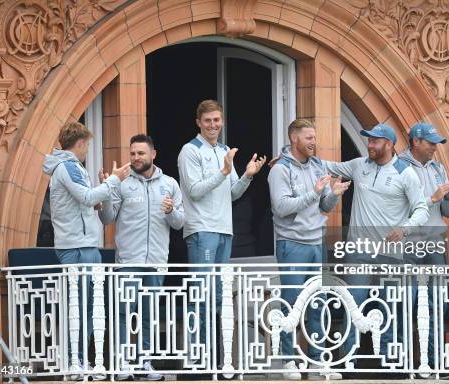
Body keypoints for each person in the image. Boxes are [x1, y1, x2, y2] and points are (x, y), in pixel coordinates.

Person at [319, 123, 430, 375]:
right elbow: (327, 165)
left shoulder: (406, 173)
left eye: (375, 141)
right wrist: (290, 156)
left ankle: (391, 364)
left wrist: (404, 229)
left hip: (391, 254)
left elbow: (421, 209)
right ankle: (347, 363)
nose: (370, 145)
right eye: (368, 141)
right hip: (359, 251)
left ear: (389, 144)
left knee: (390, 309)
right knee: (353, 305)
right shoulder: (359, 165)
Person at [42, 121, 130, 380]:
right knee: (78, 307)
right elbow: (87, 198)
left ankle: (83, 360)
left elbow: (87, 202)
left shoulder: (72, 167)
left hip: (85, 245)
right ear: (80, 144)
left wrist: (103, 189)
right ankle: (75, 360)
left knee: (90, 307)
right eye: (87, 146)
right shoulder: (67, 167)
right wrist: (114, 180)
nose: (86, 151)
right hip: (76, 247)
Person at [177, 100, 266, 354]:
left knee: (217, 297)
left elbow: (233, 194)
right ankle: (197, 357)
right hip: (201, 229)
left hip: (224, 230)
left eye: (217, 120)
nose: (213, 125)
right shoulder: (190, 150)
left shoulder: (224, 149)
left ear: (222, 121)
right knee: (201, 295)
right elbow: (194, 192)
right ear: (198, 122)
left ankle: (214, 356)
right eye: (208, 120)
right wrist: (223, 172)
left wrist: (247, 175)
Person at [268, 119, 350, 380]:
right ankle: (288, 362)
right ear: (295, 139)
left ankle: (317, 361)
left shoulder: (317, 166)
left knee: (319, 303)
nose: (314, 142)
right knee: (291, 305)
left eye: (315, 137)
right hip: (292, 245)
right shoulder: (279, 170)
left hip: (317, 244)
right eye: (309, 138)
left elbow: (324, 205)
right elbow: (281, 207)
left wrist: (333, 193)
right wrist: (314, 194)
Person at [99, 134, 184, 381]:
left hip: (156, 262)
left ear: (153, 154)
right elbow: (106, 219)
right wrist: (107, 190)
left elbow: (180, 223)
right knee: (125, 312)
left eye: (141, 153)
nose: (136, 158)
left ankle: (145, 362)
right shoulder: (122, 183)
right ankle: (124, 362)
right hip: (128, 262)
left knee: (149, 314)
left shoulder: (169, 184)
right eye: (133, 153)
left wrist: (170, 212)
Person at [398, 122, 449, 378]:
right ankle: (403, 364)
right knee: (406, 303)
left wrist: (448, 198)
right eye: (430, 142)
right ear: (415, 142)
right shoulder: (398, 165)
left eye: (436, 143)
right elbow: (402, 206)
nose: (435, 147)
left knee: (438, 303)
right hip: (407, 243)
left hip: (434, 241)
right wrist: (434, 196)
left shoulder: (438, 167)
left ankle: (435, 363)